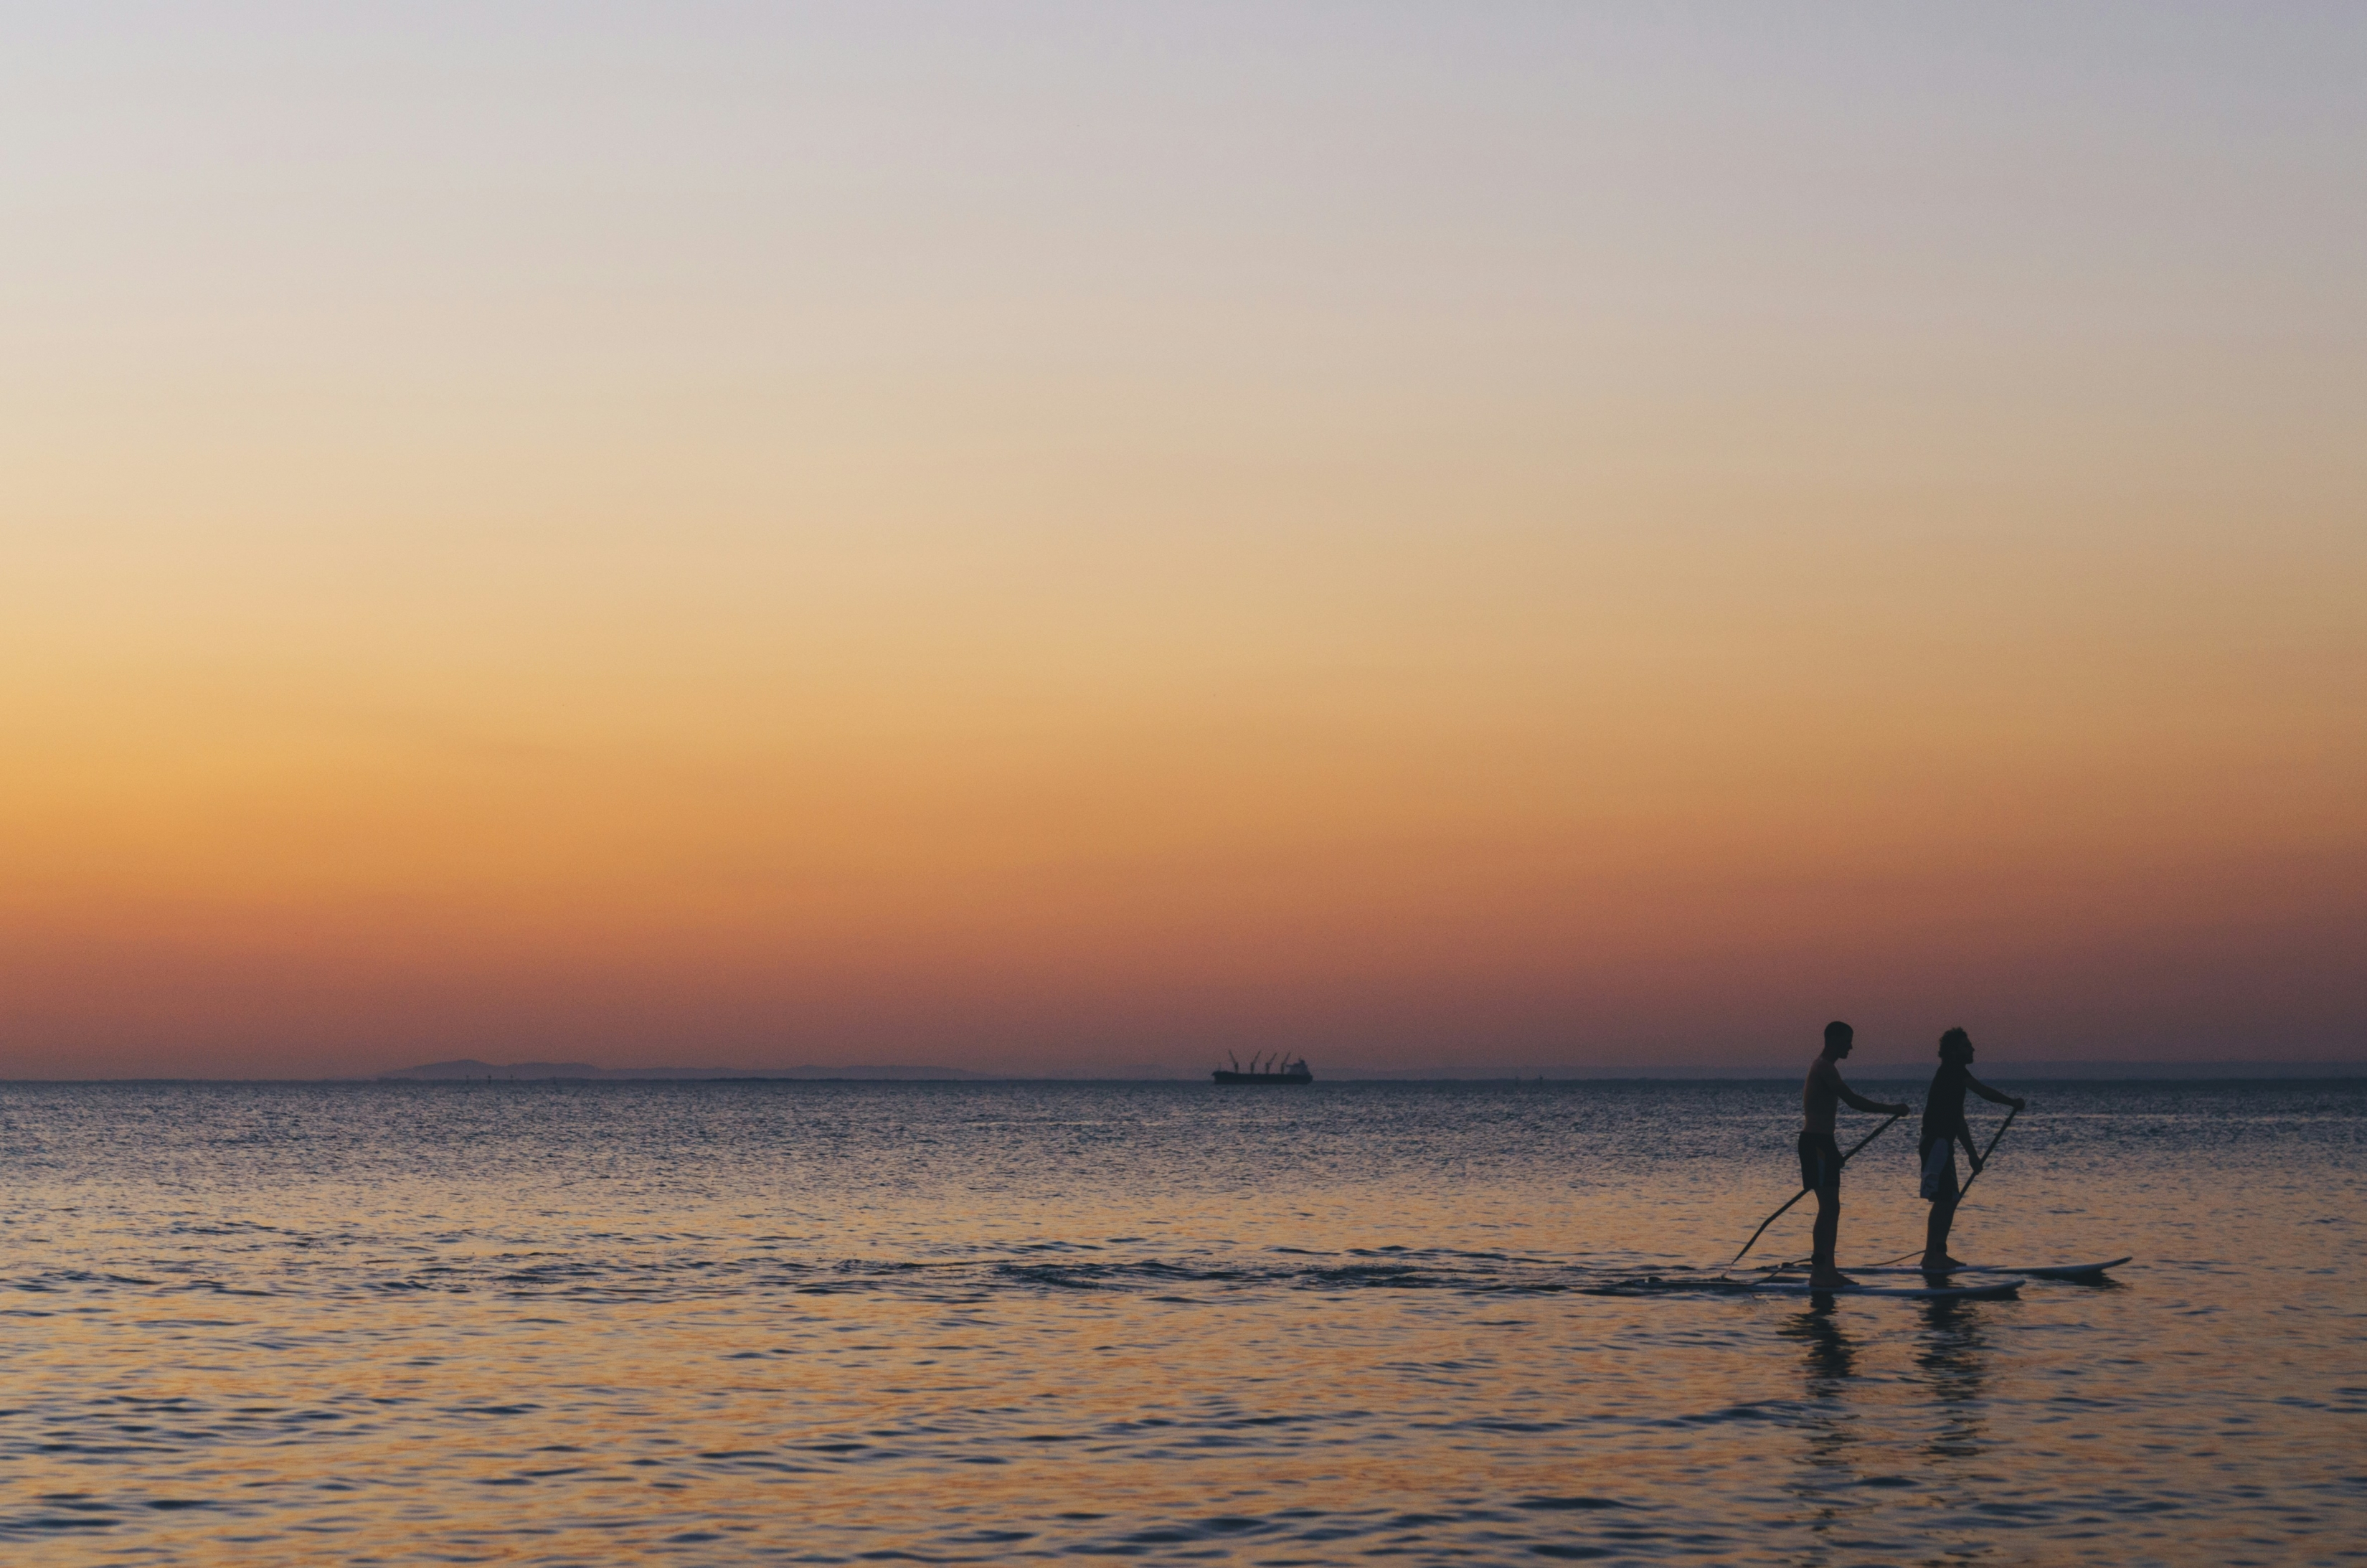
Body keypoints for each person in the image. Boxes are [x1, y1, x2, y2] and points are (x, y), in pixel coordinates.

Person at [1801, 1021, 1911, 1289]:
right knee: (1829, 1208)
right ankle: (1821, 1273)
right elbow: (1853, 1101)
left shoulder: (1826, 1067)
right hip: (1815, 1144)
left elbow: (1827, 1118)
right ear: (1833, 1039)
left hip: (1823, 1143)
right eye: (1847, 1040)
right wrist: (1891, 1109)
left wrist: (1834, 1150)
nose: (1852, 1046)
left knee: (1831, 1209)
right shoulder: (1824, 1068)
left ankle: (1827, 1270)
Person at [1918, 1027, 2026, 1271]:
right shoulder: (1951, 1072)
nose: (1973, 1049)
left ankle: (1937, 1254)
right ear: (1955, 1052)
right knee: (1944, 1200)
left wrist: (1972, 1155)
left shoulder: (1955, 1075)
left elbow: (1958, 1121)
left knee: (1950, 1199)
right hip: (1935, 1144)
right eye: (1967, 1046)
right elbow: (1983, 1091)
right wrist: (2011, 1102)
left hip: (1943, 1144)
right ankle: (1931, 1257)